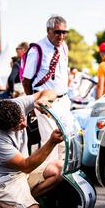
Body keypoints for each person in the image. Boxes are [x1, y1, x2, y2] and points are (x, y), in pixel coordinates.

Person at [0, 90, 64, 208]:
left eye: (23, 119)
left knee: (59, 169)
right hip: (4, 181)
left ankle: (24, 201)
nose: (24, 125)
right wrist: (51, 142)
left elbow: (49, 91)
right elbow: (26, 166)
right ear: (6, 128)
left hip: (23, 173)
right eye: (18, 125)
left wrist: (42, 99)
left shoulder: (15, 105)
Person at [22, 15, 71, 162]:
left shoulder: (63, 47)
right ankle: (48, 177)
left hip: (63, 100)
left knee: (66, 138)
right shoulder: (37, 50)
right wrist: (33, 102)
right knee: (50, 141)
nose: (61, 35)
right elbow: (26, 80)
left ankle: (61, 175)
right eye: (57, 32)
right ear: (48, 31)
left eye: (64, 32)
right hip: (45, 102)